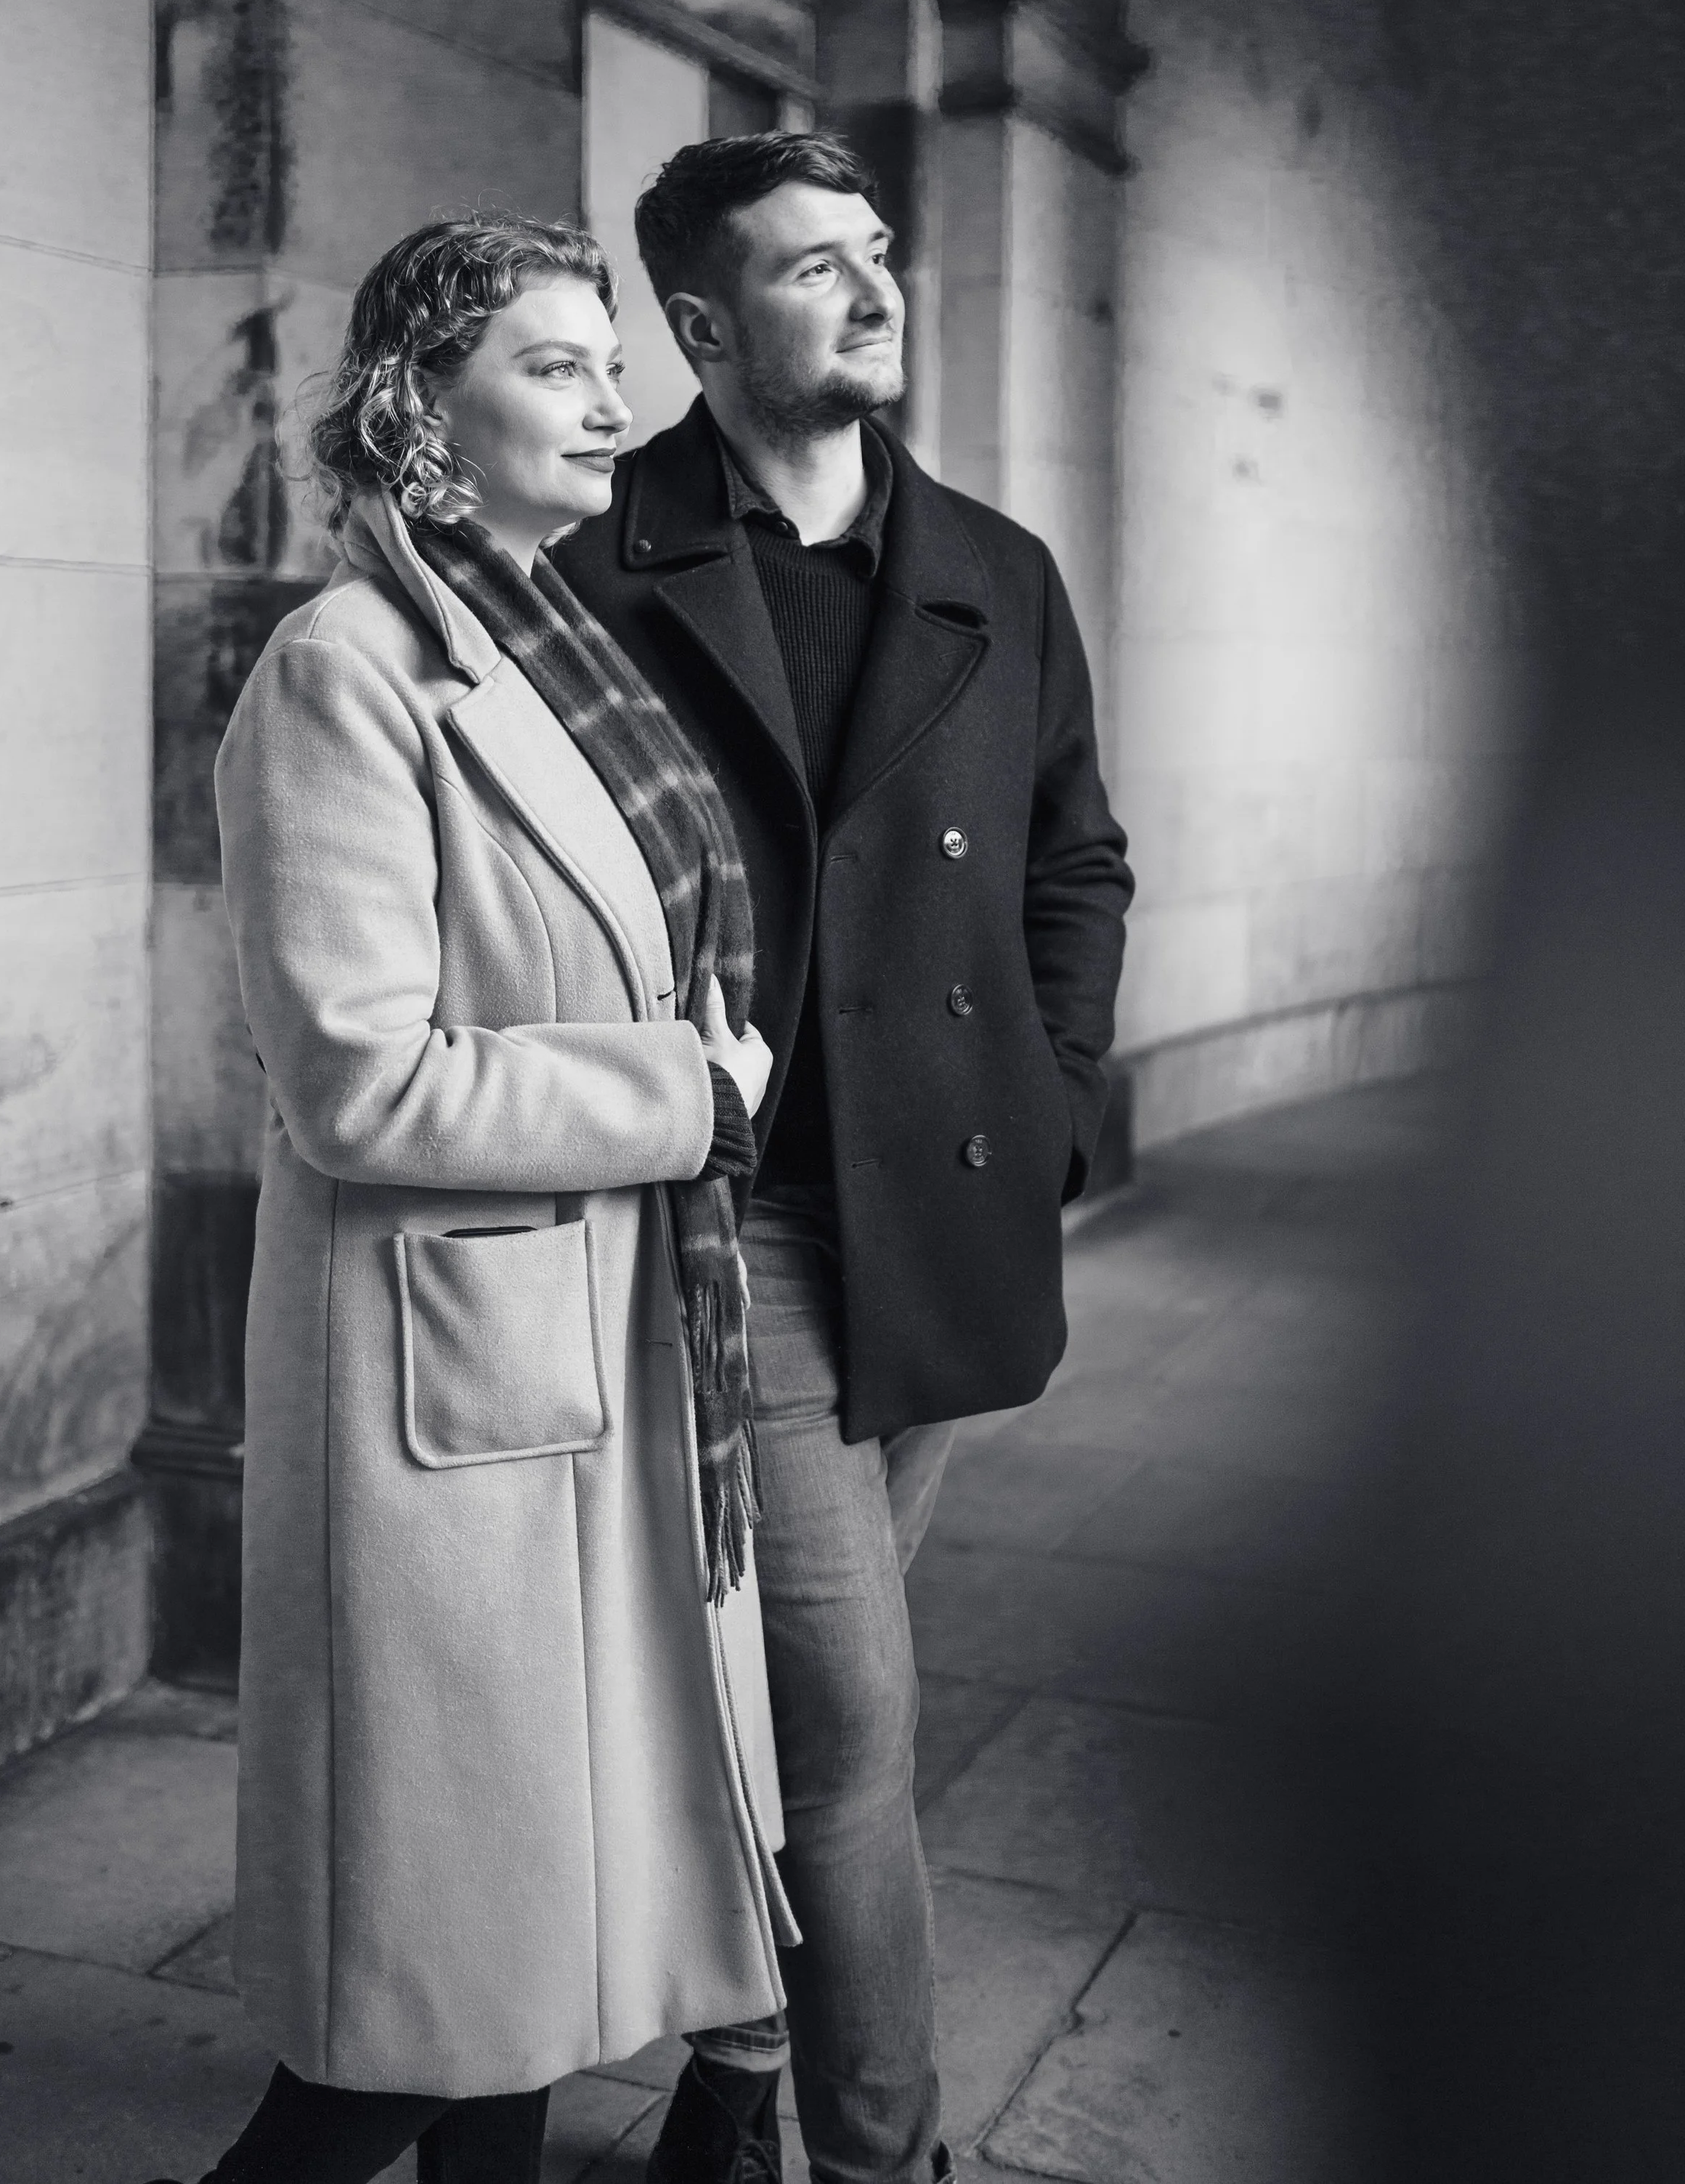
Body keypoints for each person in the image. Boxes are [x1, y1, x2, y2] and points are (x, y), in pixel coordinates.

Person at [151, 215, 790, 2184]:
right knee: (406, 2015)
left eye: (613, 360)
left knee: (505, 1966)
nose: (614, 402)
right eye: (552, 363)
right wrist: (684, 1091)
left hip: (599, 1343)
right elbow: (360, 1077)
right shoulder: (342, 673)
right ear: (427, 405)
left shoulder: (550, 629)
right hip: (446, 1392)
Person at [552, 131, 1134, 2184]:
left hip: (952, 1209)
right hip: (742, 1220)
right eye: (814, 269)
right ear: (700, 328)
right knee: (846, 1741)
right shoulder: (595, 559)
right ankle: (880, 2157)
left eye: (876, 251)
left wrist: (1059, 1097)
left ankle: (726, 2068)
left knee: (768, 1704)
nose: (875, 291)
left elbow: (1074, 856)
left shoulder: (995, 563)